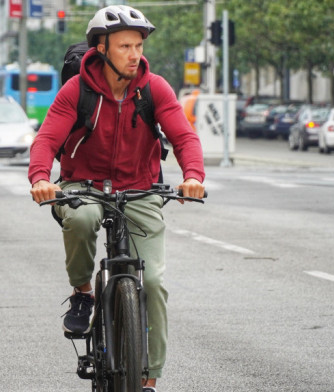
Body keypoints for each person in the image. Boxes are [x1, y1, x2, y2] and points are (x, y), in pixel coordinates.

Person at [28, 5, 205, 391]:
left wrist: (193, 176)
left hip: (140, 188)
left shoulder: (154, 88)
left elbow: (184, 137)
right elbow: (46, 139)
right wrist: (41, 178)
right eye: (125, 45)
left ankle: (148, 381)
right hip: (84, 186)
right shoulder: (77, 90)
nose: (134, 54)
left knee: (154, 283)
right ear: (102, 48)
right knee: (82, 218)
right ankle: (83, 293)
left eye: (138, 45)